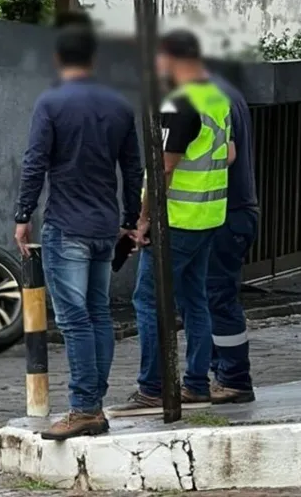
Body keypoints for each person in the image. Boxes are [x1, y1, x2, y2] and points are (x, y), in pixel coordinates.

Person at [14, 18, 144, 439]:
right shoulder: (121, 106)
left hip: (66, 224)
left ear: (58, 59)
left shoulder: (51, 104)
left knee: (74, 321)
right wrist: (128, 220)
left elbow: (35, 163)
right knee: (98, 315)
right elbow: (134, 167)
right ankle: (94, 404)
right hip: (105, 226)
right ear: (93, 59)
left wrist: (22, 215)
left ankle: (85, 407)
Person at [109, 29, 235, 417]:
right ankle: (196, 383)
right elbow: (228, 155)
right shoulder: (214, 97)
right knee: (195, 299)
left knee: (148, 300)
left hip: (176, 221)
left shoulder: (179, 102)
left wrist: (143, 221)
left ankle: (153, 386)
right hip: (209, 216)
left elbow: (164, 168)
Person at [207, 74, 258, 404]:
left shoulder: (207, 97)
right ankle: (222, 374)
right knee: (214, 297)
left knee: (218, 296)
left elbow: (225, 154)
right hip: (233, 212)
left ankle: (234, 378)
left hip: (222, 214)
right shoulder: (226, 91)